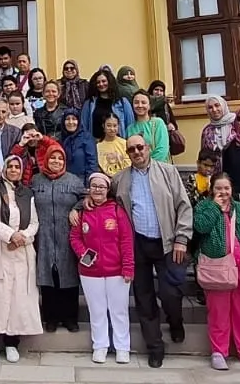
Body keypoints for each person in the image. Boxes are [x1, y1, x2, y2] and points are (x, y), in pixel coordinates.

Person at [112, 134, 192, 368]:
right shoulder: (120, 179)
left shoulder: (168, 172)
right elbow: (103, 200)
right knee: (143, 297)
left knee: (170, 293)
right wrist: (81, 205)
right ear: (128, 154)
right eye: (131, 150)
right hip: (138, 244)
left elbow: (184, 205)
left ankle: (175, 321)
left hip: (167, 243)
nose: (136, 152)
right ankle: (155, 346)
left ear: (148, 148)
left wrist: (181, 238)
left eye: (140, 147)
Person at [0, 154, 42, 365]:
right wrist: (10, 235)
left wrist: (22, 237)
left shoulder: (27, 194)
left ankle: (12, 342)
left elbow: (34, 223)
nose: (13, 170)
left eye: (17, 167)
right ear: (4, 170)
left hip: (21, 251)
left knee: (18, 298)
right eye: (10, 166)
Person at [194, 172, 240, 370]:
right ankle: (219, 352)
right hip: (216, 270)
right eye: (218, 188)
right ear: (211, 190)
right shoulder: (203, 207)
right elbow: (201, 227)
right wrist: (215, 207)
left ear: (232, 189)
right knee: (218, 313)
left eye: (226, 188)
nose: (223, 192)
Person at [71, 171, 134, 364]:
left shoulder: (117, 211)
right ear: (89, 189)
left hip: (117, 271)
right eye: (94, 186)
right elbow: (75, 237)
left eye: (101, 187)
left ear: (108, 190)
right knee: (96, 310)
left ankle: (122, 347)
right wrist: (84, 254)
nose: (97, 190)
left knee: (119, 310)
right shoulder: (83, 212)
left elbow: (126, 240)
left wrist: (128, 267)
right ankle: (100, 345)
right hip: (90, 272)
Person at [31, 142, 85, 333]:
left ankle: (70, 318)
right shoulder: (36, 180)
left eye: (60, 158)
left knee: (68, 276)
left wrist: (76, 209)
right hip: (44, 236)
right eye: (52, 157)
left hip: (66, 235)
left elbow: (86, 198)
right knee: (48, 276)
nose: (56, 161)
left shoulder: (74, 180)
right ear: (46, 160)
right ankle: (51, 318)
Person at [81, 69, 135, 140]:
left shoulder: (123, 102)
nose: (101, 84)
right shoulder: (89, 104)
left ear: (110, 82)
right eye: (98, 82)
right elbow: (83, 127)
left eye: (103, 81)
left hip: (118, 144)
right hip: (95, 143)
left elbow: (130, 126)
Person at [127, 90, 169, 162]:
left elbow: (162, 149)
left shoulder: (158, 123)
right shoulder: (130, 128)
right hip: (138, 167)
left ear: (149, 106)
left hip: (158, 165)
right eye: (136, 102)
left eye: (143, 102)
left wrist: (147, 165)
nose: (140, 105)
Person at [198, 95, 234, 170]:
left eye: (217, 105)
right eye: (210, 107)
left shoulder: (235, 125)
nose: (214, 110)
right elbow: (203, 157)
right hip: (214, 173)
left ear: (223, 106)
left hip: (235, 171)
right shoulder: (207, 130)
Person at [59, 109, 97, 179]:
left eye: (74, 119)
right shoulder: (60, 138)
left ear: (79, 121)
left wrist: (89, 181)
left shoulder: (86, 137)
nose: (71, 122)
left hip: (81, 179)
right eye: (67, 119)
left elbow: (92, 163)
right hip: (63, 179)